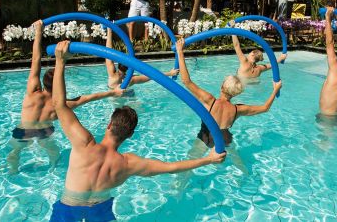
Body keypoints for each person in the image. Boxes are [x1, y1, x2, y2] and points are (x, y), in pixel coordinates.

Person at [49, 40, 226, 221]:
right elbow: (171, 167)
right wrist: (209, 159)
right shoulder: (128, 164)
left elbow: (59, 104)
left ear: (109, 124)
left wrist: (60, 61)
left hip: (68, 209)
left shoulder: (84, 144)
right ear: (130, 135)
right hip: (100, 211)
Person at [7, 21, 125, 174]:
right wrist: (113, 93)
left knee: (15, 152)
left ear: (43, 82)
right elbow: (89, 97)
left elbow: (36, 60)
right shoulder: (60, 105)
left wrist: (38, 32)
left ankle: (13, 171)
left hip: (24, 129)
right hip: (44, 132)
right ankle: (53, 168)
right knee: (53, 153)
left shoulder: (33, 92)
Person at [175, 38, 282, 179]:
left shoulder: (210, 100)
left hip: (205, 137)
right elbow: (265, 108)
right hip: (226, 139)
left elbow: (186, 81)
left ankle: (179, 187)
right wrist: (275, 89)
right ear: (236, 93)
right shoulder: (238, 109)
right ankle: (246, 176)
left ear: (221, 86)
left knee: (190, 163)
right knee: (238, 160)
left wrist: (180, 52)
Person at [105, 29, 178, 94]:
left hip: (113, 97)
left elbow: (108, 53)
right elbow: (152, 75)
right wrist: (170, 73)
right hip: (126, 96)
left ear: (118, 63)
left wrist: (109, 31)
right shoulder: (130, 79)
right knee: (131, 93)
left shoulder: (112, 75)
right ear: (130, 67)